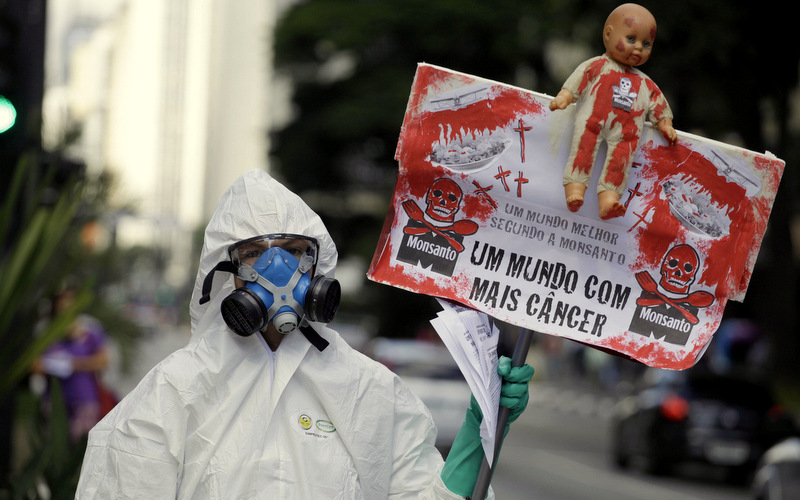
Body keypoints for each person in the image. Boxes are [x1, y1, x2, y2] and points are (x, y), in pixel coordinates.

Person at [76, 169, 534, 499]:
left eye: (295, 250)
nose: (279, 268)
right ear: (227, 274)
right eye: (255, 252)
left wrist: (478, 433)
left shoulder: (369, 391)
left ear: (317, 265)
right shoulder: (174, 392)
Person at [549, 3, 677, 220]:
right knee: (582, 151)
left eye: (646, 43)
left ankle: (608, 201)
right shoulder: (599, 65)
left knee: (620, 164)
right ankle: (575, 190)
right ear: (608, 34)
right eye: (631, 39)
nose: (638, 48)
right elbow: (580, 79)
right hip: (592, 121)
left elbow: (657, 103)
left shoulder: (645, 83)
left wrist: (665, 124)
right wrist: (565, 96)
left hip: (627, 133)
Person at [32, 285, 112, 441]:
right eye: (61, 299)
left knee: (80, 452)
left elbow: (103, 361)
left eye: (69, 299)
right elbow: (34, 366)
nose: (65, 304)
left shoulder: (89, 328)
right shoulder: (45, 331)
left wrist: (73, 364)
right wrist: (54, 365)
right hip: (54, 402)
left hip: (84, 401)